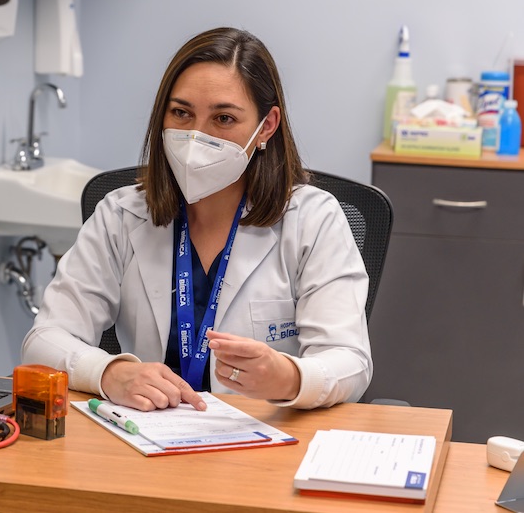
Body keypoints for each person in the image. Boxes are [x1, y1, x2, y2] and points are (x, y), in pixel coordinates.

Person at [22, 27, 372, 412]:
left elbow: (350, 362)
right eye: (181, 113)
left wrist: (288, 376)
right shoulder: (121, 215)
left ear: (266, 127)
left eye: (223, 118)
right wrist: (108, 373)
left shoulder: (313, 220)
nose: (195, 137)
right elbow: (44, 339)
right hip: (147, 436)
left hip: (263, 439)